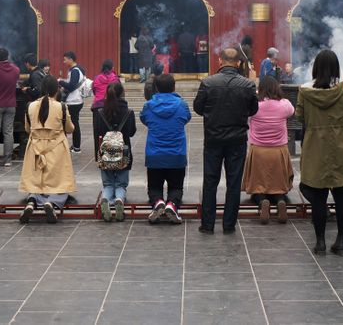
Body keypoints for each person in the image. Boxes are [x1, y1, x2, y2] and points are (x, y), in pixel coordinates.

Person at [295, 50, 343, 254]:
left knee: (319, 198)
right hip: (341, 147)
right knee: (342, 196)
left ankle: (320, 241)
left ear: (315, 68)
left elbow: (300, 117)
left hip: (315, 148)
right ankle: (341, 240)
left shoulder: (305, 91)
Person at [193, 47, 259, 235]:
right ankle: (228, 225)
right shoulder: (247, 85)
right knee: (233, 183)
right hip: (237, 140)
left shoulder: (208, 82)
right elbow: (253, 110)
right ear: (238, 63)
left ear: (220, 60)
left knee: (210, 182)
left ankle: (207, 225)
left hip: (213, 138)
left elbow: (198, 108)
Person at [18, 77, 75, 223]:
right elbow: (69, 128)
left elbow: (27, 128)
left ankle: (32, 201)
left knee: (38, 183)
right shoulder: (60, 106)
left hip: (35, 148)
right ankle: (51, 203)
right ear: (56, 89)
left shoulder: (30, 106)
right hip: (55, 147)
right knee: (59, 184)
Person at [244, 75, 295, 225]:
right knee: (279, 186)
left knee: (258, 187)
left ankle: (262, 203)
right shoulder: (284, 105)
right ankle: (280, 201)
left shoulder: (255, 106)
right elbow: (292, 112)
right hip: (279, 151)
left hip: (258, 151)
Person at [141, 73, 191, 224]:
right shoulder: (182, 105)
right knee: (176, 186)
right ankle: (172, 204)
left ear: (156, 88)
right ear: (174, 87)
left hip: (154, 154)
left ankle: (157, 202)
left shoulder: (148, 106)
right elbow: (186, 118)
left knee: (154, 186)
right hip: (177, 154)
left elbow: (144, 119)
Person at [93, 81, 136, 221]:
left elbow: (98, 133)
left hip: (105, 153)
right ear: (122, 93)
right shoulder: (128, 112)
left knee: (108, 183)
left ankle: (105, 198)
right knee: (121, 184)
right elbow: (131, 132)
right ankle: (119, 199)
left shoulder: (100, 112)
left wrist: (97, 156)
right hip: (123, 152)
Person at [58, 51, 87, 154]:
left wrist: (60, 81)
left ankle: (76, 147)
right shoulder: (77, 69)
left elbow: (71, 86)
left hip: (74, 101)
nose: (64, 61)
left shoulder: (75, 70)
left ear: (71, 59)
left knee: (74, 123)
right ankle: (75, 146)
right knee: (74, 123)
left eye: (65, 59)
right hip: (76, 100)